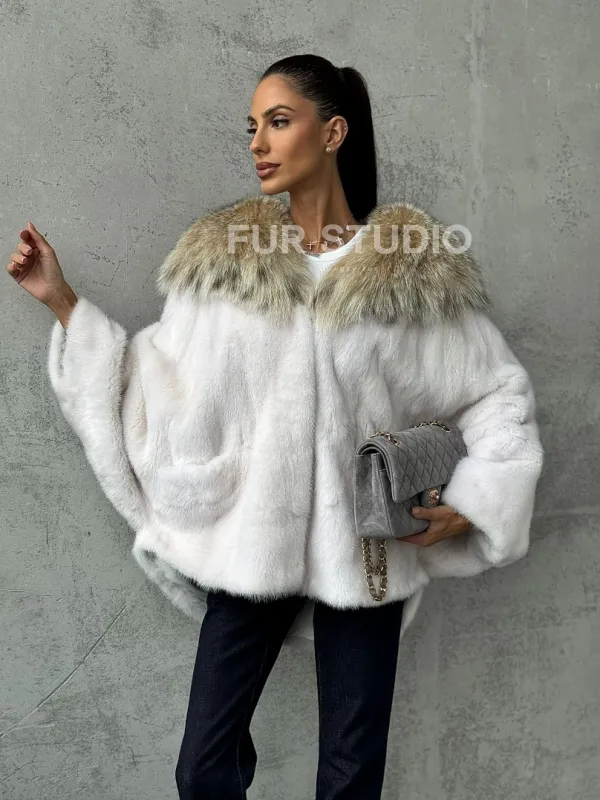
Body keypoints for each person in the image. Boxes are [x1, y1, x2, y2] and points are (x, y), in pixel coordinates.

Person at [7, 54, 544, 799]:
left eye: (279, 121)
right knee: (203, 767)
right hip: (255, 545)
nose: (258, 142)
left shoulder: (410, 270)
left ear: (333, 132)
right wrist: (63, 303)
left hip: (368, 550)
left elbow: (494, 393)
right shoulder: (226, 265)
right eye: (253, 126)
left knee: (351, 778)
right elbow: (157, 382)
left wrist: (474, 501)